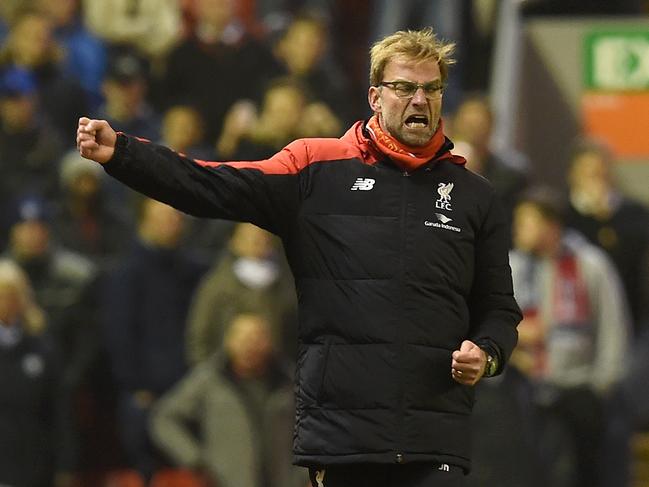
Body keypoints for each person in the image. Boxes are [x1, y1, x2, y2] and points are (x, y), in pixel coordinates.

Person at [77, 28, 521, 486]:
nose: (420, 100)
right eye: (404, 87)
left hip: (435, 436)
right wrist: (124, 154)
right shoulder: (315, 168)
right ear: (374, 96)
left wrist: (486, 354)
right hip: (343, 437)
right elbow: (212, 185)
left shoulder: (474, 196)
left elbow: (499, 309)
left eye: (431, 89)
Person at [509, 187, 630, 487]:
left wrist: (602, 385)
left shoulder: (590, 264)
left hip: (581, 389)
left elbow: (613, 326)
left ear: (550, 226)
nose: (518, 230)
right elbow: (491, 322)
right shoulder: (513, 266)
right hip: (526, 389)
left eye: (526, 222)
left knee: (584, 473)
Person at [151, 312, 308, 487]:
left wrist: (305, 472)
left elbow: (316, 425)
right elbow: (164, 418)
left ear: (271, 342)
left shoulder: (290, 381)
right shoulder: (210, 380)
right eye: (243, 338)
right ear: (229, 341)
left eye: (257, 338)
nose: (250, 346)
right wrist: (195, 460)